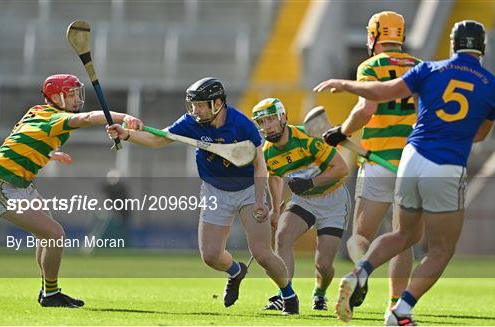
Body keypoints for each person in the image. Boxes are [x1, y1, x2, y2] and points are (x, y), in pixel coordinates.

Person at [314, 20, 495, 325]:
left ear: (453, 45)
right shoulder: (493, 85)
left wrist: (346, 84)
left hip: (410, 158)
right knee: (441, 248)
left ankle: (361, 271)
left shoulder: (429, 69)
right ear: (483, 47)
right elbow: (479, 135)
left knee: (401, 233)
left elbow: (380, 93)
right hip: (445, 165)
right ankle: (399, 309)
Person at [106, 77, 298, 314]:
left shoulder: (242, 124)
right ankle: (236, 271)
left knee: (262, 253)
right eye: (193, 105)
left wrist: (260, 199)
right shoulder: (191, 122)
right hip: (214, 190)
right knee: (211, 256)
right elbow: (160, 138)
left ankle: (288, 296)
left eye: (200, 105)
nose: (195, 110)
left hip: (248, 190)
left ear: (217, 103)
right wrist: (126, 135)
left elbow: (260, 165)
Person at [0, 74, 143, 308]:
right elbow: (87, 118)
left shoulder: (38, 111)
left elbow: (21, 138)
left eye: (78, 93)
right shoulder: (56, 118)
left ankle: (47, 291)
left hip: (22, 186)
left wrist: (47, 153)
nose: (77, 98)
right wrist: (122, 116)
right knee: (55, 234)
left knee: (46, 236)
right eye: (72, 94)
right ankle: (51, 294)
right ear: (56, 97)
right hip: (0, 187)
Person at [321, 11, 423, 316]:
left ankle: (360, 275)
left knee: (360, 235)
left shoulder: (371, 66)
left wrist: (342, 131)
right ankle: (395, 307)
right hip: (412, 163)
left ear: (375, 35)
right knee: (403, 239)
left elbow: (366, 109)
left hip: (377, 161)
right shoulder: (420, 67)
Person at [251, 98, 351, 312]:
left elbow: (342, 169)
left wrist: (310, 182)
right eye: (262, 122)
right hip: (304, 200)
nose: (267, 126)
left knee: (324, 265)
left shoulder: (308, 138)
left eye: (271, 119)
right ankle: (284, 295)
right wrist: (276, 209)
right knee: (282, 236)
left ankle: (320, 292)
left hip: (333, 199)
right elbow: (275, 177)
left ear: (283, 118)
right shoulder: (268, 152)